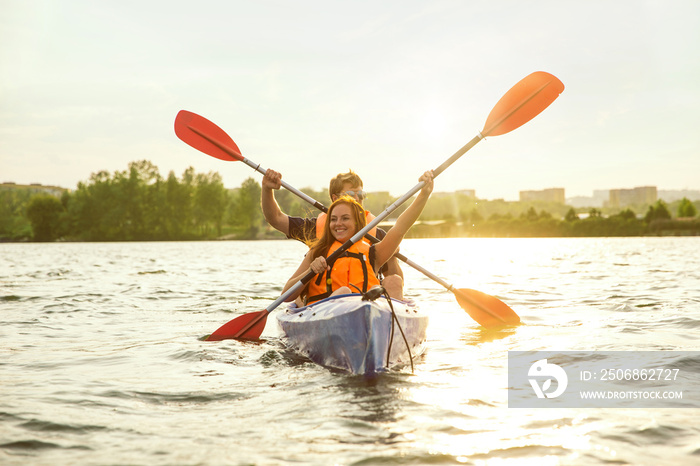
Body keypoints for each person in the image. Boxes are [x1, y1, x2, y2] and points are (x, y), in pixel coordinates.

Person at [281, 170, 433, 304]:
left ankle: (389, 327)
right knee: (344, 292)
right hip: (326, 311)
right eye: (334, 219)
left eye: (345, 218)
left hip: (369, 311)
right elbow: (286, 295)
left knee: (393, 281)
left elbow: (400, 227)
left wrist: (424, 194)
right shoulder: (317, 252)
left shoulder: (374, 253)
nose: (338, 224)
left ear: (357, 222)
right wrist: (310, 271)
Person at [261, 169, 405, 297]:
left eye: (361, 194)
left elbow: (395, 282)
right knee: (300, 299)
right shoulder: (315, 228)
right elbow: (275, 218)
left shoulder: (377, 236)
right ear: (335, 198)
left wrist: (391, 257)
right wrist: (267, 190)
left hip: (367, 298)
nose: (357, 198)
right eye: (350, 194)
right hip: (326, 301)